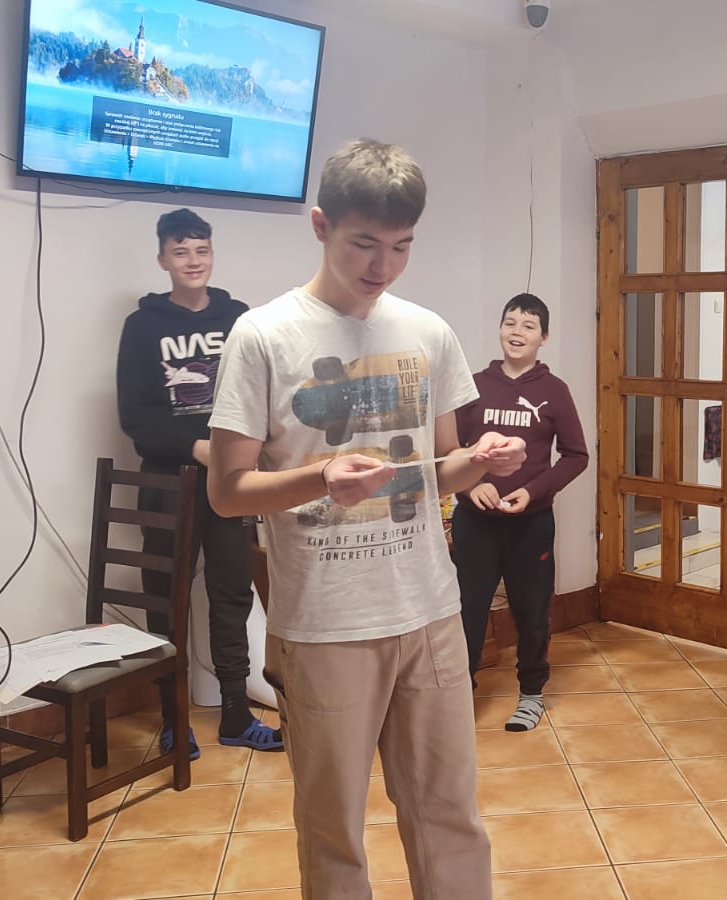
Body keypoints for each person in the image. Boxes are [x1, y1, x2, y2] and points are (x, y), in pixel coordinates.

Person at [206, 139, 524, 900]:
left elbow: (440, 471)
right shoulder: (263, 335)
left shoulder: (428, 332)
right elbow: (227, 491)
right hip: (325, 625)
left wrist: (483, 460)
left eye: (402, 246)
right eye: (365, 244)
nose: (383, 265)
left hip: (430, 611)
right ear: (321, 225)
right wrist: (320, 476)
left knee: (450, 816)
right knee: (333, 829)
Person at [115, 207, 280, 757]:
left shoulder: (239, 318)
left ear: (213, 255)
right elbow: (136, 418)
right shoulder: (142, 326)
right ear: (163, 259)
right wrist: (199, 448)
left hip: (230, 484)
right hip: (168, 485)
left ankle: (235, 714)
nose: (192, 260)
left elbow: (261, 395)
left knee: (232, 593)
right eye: (180, 251)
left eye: (201, 249)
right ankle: (172, 720)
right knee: (166, 603)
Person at [453, 293, 588, 731]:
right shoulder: (472, 385)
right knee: (466, 610)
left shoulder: (554, 391)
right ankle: (458, 695)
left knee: (531, 610)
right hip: (475, 523)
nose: (517, 332)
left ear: (543, 337)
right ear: (500, 330)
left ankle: (531, 693)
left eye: (529, 326)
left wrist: (532, 492)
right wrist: (470, 486)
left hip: (530, 524)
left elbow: (576, 456)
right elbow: (450, 451)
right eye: (510, 322)